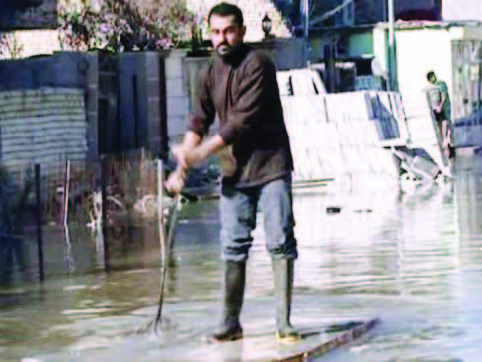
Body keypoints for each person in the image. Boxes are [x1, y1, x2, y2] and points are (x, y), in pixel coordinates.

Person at [165, 2, 299, 343]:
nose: (221, 39)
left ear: (241, 31)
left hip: (271, 166)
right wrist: (181, 168)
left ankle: (283, 324)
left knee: (280, 241)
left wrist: (195, 155)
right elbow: (199, 120)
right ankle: (230, 322)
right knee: (233, 246)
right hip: (235, 173)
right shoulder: (209, 72)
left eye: (228, 31)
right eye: (215, 32)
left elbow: (239, 124)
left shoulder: (259, 65)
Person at [426, 70, 455, 159]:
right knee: (439, 130)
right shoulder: (430, 88)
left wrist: (440, 107)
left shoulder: (441, 84)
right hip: (436, 112)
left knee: (447, 128)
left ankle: (450, 146)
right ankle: (444, 148)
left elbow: (444, 96)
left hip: (444, 110)